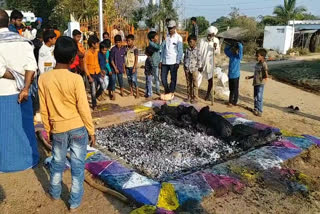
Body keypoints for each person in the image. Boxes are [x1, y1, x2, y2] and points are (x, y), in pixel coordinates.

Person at [38, 36, 95, 212]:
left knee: (57, 163)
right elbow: (84, 109)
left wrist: (48, 130)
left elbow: (44, 110)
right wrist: (91, 130)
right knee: (78, 168)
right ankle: (74, 203)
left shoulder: (43, 79)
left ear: (54, 54)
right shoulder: (76, 79)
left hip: (58, 129)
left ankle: (55, 193)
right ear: (73, 59)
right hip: (78, 128)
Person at [0, 9, 39, 172]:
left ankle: (6, 163)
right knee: (24, 126)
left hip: (3, 93)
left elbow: (1, 71)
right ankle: (28, 158)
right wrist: (25, 86)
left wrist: (13, 75)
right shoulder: (22, 41)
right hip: (24, 92)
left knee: (4, 130)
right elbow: (32, 67)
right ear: (8, 22)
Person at [160, 20, 183, 94]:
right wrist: (161, 60)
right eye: (168, 28)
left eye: (171, 28)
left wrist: (178, 62)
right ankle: (167, 90)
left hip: (174, 62)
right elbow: (162, 49)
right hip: (165, 61)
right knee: (163, 79)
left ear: (175, 27)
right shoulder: (166, 37)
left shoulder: (179, 38)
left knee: (173, 79)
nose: (170, 30)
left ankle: (171, 92)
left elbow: (180, 51)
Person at [199, 26, 220, 104]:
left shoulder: (216, 41)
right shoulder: (202, 41)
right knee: (197, 78)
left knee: (210, 80)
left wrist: (215, 48)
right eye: (209, 35)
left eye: (211, 35)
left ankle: (208, 94)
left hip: (210, 63)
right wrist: (199, 64)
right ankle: (194, 94)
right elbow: (200, 52)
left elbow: (218, 52)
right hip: (202, 62)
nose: (210, 36)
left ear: (213, 35)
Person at [245, 49, 268, 117]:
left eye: (258, 56)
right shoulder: (257, 64)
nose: (256, 57)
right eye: (256, 56)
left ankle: (260, 111)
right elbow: (256, 74)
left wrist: (264, 79)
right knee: (255, 97)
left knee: (259, 97)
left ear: (262, 56)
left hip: (260, 83)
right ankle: (256, 109)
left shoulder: (264, 64)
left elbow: (266, 74)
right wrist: (249, 77)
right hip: (255, 82)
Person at [84, 35, 103, 110]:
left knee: (102, 86)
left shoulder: (97, 51)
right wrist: (89, 77)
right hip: (91, 73)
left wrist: (101, 70)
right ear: (92, 44)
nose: (98, 45)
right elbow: (85, 66)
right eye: (97, 43)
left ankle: (95, 97)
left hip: (98, 72)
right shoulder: (87, 53)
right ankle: (94, 105)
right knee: (93, 89)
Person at [224, 41, 243, 106]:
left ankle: (234, 102)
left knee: (235, 89)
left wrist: (239, 44)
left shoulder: (238, 57)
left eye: (235, 49)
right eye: (233, 49)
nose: (234, 50)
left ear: (237, 50)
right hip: (230, 75)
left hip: (236, 76)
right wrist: (231, 45)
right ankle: (230, 101)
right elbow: (225, 50)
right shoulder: (231, 55)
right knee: (231, 89)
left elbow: (241, 50)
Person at [184, 34, 202, 103]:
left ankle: (195, 98)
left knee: (195, 84)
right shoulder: (187, 50)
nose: (189, 43)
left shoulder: (198, 50)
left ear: (195, 41)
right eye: (189, 42)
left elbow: (199, 60)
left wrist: (198, 68)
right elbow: (185, 58)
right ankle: (189, 96)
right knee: (188, 84)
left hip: (194, 70)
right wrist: (185, 67)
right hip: (187, 69)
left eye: (191, 41)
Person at [110, 35, 126, 99]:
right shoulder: (113, 49)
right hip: (114, 68)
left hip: (120, 68)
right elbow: (111, 60)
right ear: (115, 42)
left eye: (119, 42)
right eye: (116, 42)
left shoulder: (123, 49)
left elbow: (123, 60)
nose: (118, 43)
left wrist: (124, 68)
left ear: (121, 42)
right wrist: (115, 68)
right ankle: (113, 93)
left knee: (120, 80)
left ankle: (121, 91)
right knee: (113, 80)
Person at [147, 31, 161, 95]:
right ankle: (152, 91)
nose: (157, 37)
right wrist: (163, 42)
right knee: (153, 77)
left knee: (156, 77)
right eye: (156, 36)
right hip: (153, 63)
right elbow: (159, 48)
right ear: (152, 39)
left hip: (156, 63)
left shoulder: (153, 43)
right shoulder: (152, 44)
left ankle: (156, 90)